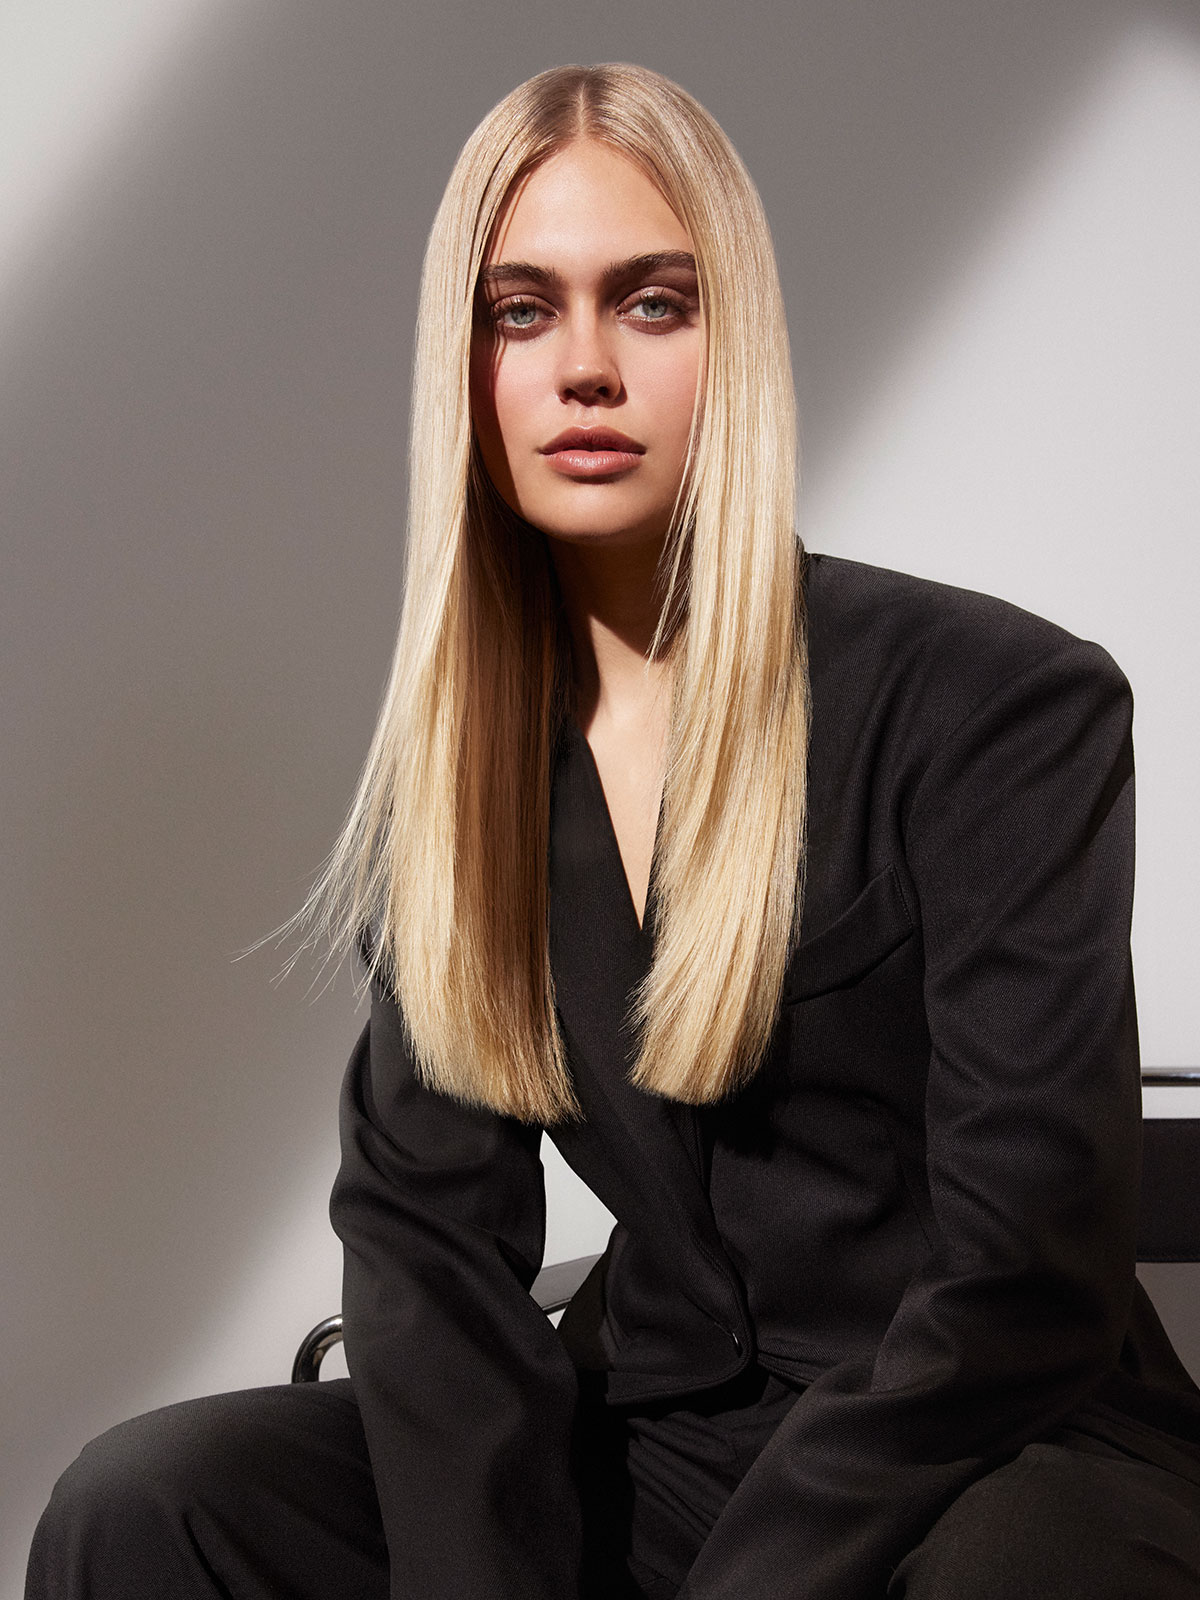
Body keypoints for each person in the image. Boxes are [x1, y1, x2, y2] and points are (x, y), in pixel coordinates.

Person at [26, 60, 1200, 1600]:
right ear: (469, 369)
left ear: (736, 346)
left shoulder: (997, 704)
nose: (585, 366)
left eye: (652, 304)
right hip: (662, 1437)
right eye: (523, 311)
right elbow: (428, 1255)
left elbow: (1020, 1275)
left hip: (982, 1449)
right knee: (150, 1501)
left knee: (1015, 1567)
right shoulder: (464, 779)